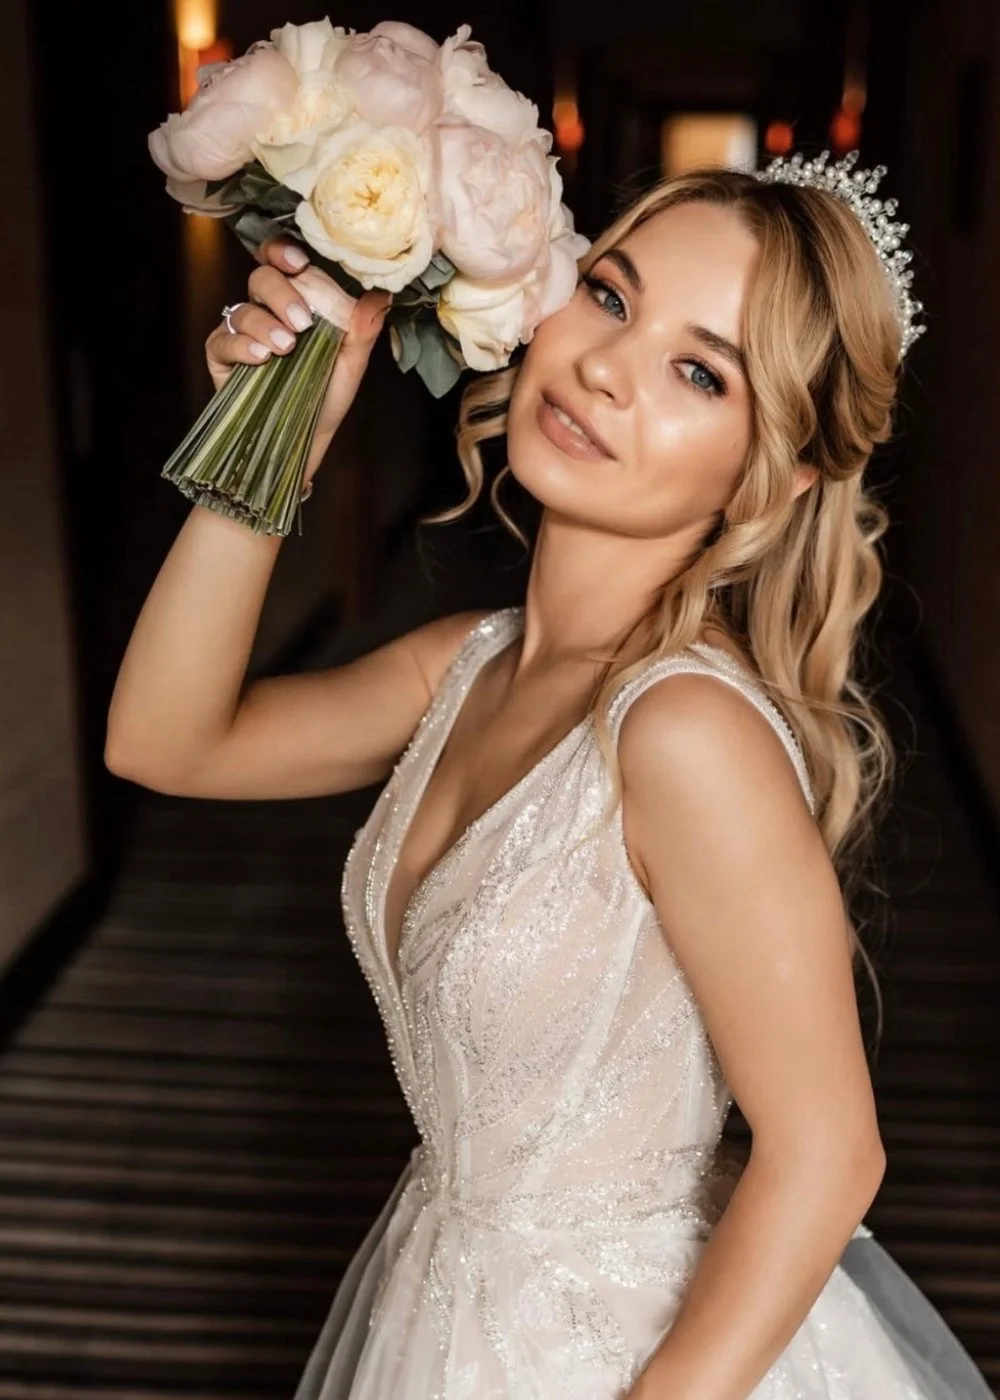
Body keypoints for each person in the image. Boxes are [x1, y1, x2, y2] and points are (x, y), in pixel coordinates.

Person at [105, 153, 994, 1400]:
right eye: (610, 295)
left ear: (780, 466)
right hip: (450, 1299)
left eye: (700, 372)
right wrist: (276, 439)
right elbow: (164, 740)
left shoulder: (685, 729)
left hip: (632, 1349)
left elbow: (829, 1152)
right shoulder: (466, 663)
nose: (607, 367)